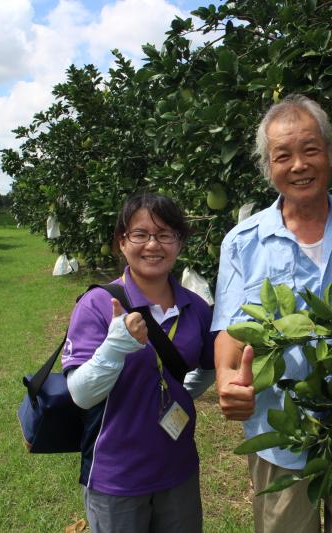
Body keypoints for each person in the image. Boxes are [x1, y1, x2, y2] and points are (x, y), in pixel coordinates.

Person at [212, 95, 332, 533]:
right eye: (283, 155)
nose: (299, 165)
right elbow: (229, 327)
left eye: (310, 150)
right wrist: (227, 379)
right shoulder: (243, 242)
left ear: (330, 154)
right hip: (281, 430)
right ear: (269, 167)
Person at [61, 192, 216, 533]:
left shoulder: (196, 308)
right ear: (121, 242)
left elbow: (210, 363)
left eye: (165, 235)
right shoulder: (97, 304)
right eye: (141, 234)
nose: (153, 245)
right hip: (116, 475)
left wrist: (182, 391)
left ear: (180, 242)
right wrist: (115, 347)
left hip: (178, 468)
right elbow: (80, 394)